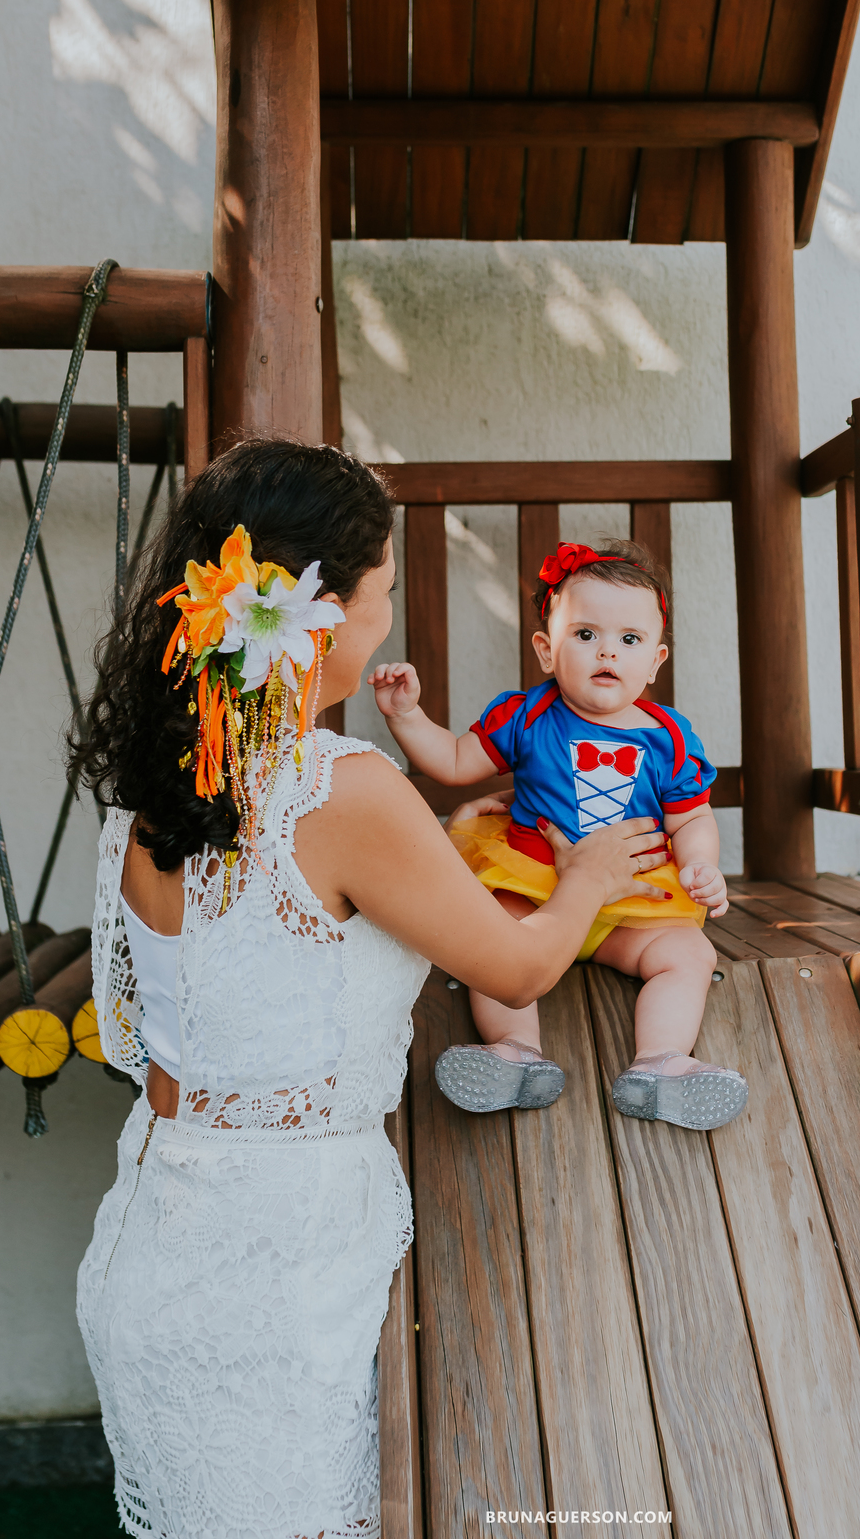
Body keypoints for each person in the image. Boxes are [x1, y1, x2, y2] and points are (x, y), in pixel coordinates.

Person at [72, 442, 665, 1539]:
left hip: (147, 1246)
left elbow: (172, 1007)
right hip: (274, 1276)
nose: (386, 621)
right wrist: (583, 877)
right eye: (383, 594)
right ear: (320, 613)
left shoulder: (156, 782)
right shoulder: (344, 789)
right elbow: (522, 966)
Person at [370, 538, 747, 1132]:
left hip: (631, 901)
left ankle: (661, 1062)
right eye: (586, 634)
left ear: (656, 661)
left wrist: (701, 863)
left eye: (630, 640)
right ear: (547, 650)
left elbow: (692, 817)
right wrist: (406, 717)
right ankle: (516, 1052)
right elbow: (454, 761)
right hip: (537, 887)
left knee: (689, 953)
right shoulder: (527, 716)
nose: (608, 653)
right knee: (492, 936)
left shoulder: (670, 738)